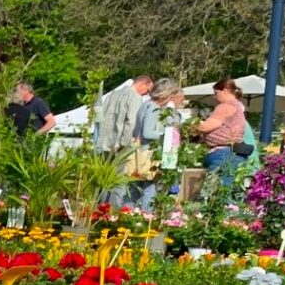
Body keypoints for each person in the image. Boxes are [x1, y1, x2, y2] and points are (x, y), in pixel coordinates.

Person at [94, 74, 154, 205]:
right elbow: (132, 122)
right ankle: (113, 214)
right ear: (142, 84)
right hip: (120, 145)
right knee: (118, 182)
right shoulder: (135, 97)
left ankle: (101, 209)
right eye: (148, 91)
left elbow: (100, 117)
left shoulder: (112, 94)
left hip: (105, 143)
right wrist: (126, 143)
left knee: (105, 180)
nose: (146, 95)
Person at [122, 78, 179, 210]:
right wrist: (167, 134)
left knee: (134, 189)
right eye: (171, 95)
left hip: (138, 152)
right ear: (164, 94)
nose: (170, 99)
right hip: (147, 155)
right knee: (150, 189)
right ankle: (147, 217)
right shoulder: (153, 108)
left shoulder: (145, 105)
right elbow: (148, 133)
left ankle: (126, 214)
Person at [192, 77, 248, 184]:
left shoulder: (226, 106)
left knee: (217, 190)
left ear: (225, 90)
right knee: (229, 190)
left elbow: (205, 127)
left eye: (216, 93)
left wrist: (192, 125)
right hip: (233, 152)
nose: (214, 96)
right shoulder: (237, 106)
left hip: (223, 155)